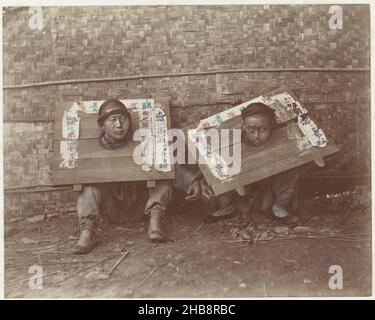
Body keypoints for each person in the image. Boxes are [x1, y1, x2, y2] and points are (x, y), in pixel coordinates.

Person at [73, 98, 173, 254]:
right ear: (101, 125)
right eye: (112, 120)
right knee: (87, 183)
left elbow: (169, 163)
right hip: (110, 207)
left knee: (162, 169)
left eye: (123, 119)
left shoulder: (143, 144)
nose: (119, 125)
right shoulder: (90, 151)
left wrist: (192, 181)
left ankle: (155, 220)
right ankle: (87, 231)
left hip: (139, 206)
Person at [209, 102, 300, 226]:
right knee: (219, 162)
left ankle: (280, 206)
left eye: (262, 130)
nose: (256, 136)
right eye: (251, 130)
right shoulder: (233, 141)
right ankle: (227, 207)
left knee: (292, 162)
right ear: (244, 126)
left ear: (271, 125)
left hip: (269, 185)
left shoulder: (279, 140)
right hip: (244, 186)